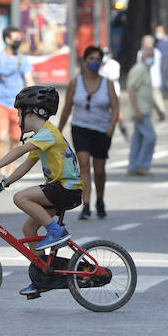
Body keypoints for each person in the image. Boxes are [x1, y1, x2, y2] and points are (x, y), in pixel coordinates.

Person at [0, 86, 84, 297]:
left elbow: (20, 150)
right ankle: (42, 277)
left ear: (32, 112)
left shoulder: (48, 133)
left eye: (19, 113)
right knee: (29, 228)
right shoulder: (41, 137)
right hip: (61, 189)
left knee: (21, 197)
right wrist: (3, 184)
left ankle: (56, 231)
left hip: (66, 188)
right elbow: (26, 165)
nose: (17, 119)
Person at [59, 44, 120, 219]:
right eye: (91, 59)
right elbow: (67, 108)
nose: (94, 62)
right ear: (84, 61)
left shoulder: (107, 84)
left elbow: (115, 108)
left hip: (101, 130)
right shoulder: (75, 83)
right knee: (84, 165)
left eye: (98, 59)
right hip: (80, 128)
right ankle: (85, 205)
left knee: (99, 170)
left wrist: (111, 126)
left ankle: (100, 200)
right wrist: (58, 130)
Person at [0, 26, 35, 158]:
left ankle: (10, 168)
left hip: (18, 105)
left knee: (15, 139)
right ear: (7, 39)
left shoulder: (22, 59)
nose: (18, 41)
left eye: (19, 38)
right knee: (1, 137)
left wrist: (32, 101)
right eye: (15, 38)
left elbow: (29, 80)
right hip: (0, 103)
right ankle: (1, 168)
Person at [124, 35, 165, 177]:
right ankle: (143, 165)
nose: (151, 59)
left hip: (145, 110)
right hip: (140, 112)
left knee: (138, 139)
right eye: (149, 56)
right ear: (143, 56)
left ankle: (133, 166)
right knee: (150, 137)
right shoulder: (139, 70)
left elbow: (147, 94)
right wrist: (136, 112)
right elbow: (131, 91)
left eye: (153, 56)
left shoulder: (146, 70)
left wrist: (158, 109)